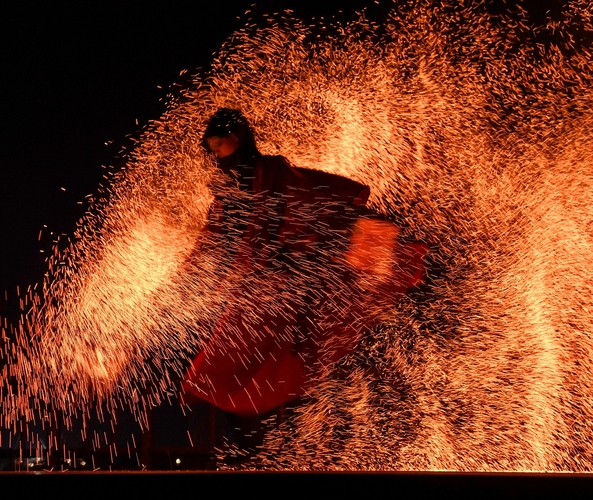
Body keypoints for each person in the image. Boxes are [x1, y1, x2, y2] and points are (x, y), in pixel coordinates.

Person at [181, 108, 428, 419]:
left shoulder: (272, 175)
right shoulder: (224, 194)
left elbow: (317, 203)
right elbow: (215, 239)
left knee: (288, 343)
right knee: (227, 356)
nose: (217, 152)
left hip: (287, 276)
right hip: (258, 284)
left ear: (238, 138)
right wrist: (189, 275)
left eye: (222, 143)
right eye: (212, 146)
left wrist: (362, 240)